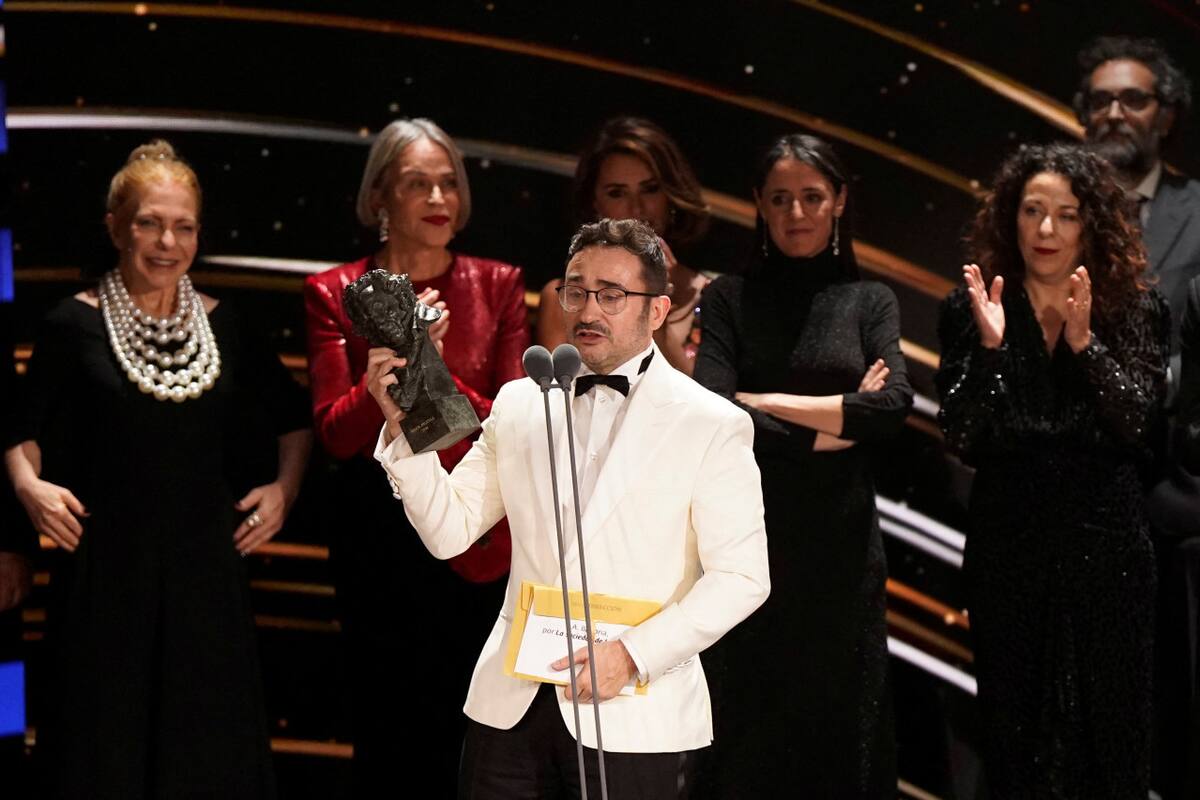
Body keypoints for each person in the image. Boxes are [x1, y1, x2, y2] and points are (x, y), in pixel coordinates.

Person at [369, 218, 769, 798]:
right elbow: (450, 531)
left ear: (657, 311)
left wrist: (632, 656)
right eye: (576, 291)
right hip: (511, 706)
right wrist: (401, 426)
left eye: (611, 295)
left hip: (634, 712)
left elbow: (742, 578)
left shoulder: (711, 423)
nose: (588, 310)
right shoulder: (521, 401)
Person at [3, 140, 312, 798]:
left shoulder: (228, 326)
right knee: (100, 754)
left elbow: (294, 418)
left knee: (205, 759)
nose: (166, 241)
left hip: (206, 582)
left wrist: (283, 491)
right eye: (149, 221)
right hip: (104, 577)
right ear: (116, 227)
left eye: (183, 226)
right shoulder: (68, 325)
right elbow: (16, 428)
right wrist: (29, 486)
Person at [303, 118, 528, 793]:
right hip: (377, 533)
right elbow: (337, 436)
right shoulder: (332, 290)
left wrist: (421, 361)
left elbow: (513, 421)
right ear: (379, 199)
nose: (438, 197)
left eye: (448, 183)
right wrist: (387, 380)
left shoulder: (499, 283)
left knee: (471, 727)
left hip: (475, 524)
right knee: (385, 726)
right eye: (416, 183)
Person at [936, 143, 1168, 797]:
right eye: (1032, 211)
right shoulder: (973, 307)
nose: (1045, 230)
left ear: (1090, 224)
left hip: (1107, 547)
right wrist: (990, 351)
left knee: (1111, 729)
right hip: (1009, 547)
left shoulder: (1133, 309)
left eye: (1065, 215)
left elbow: (1140, 428)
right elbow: (962, 435)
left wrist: (1085, 346)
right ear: (1010, 217)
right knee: (1016, 729)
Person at [694, 133, 912, 798]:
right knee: (749, 730)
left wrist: (764, 401)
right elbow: (711, 409)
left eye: (812, 197)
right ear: (759, 203)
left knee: (843, 729)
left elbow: (893, 407)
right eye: (781, 198)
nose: (796, 213)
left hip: (842, 549)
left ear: (839, 202)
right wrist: (829, 423)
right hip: (748, 542)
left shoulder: (869, 300)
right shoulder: (730, 297)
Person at [537, 117, 711, 375]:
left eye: (650, 189)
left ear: (669, 195)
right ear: (594, 202)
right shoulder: (563, 298)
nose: (636, 209)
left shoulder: (711, 300)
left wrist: (654, 296)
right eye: (617, 193)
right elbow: (554, 401)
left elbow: (700, 406)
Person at [1076, 35, 1198, 353]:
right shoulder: (1043, 209)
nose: (1115, 114)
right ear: (1085, 116)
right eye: (1100, 101)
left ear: (1166, 117)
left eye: (1134, 99)